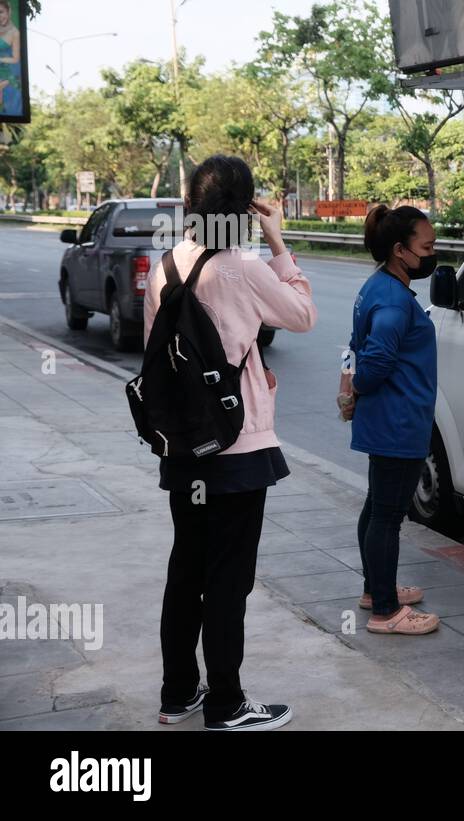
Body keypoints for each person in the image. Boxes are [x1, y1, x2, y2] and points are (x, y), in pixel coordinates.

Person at [145, 155, 317, 731]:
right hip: (237, 447)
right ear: (244, 209)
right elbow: (303, 315)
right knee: (228, 579)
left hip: (184, 445)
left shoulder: (166, 265)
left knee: (186, 568)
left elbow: (167, 358)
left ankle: (177, 694)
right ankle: (226, 704)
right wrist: (277, 241)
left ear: (191, 204)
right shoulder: (241, 265)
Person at [349, 205, 441, 635]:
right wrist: (358, 387)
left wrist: (350, 390)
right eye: (427, 247)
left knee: (377, 507)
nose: (433, 253)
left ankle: (375, 588)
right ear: (401, 250)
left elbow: (354, 348)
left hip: (387, 418)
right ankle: (386, 612)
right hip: (397, 420)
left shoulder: (378, 287)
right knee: (387, 515)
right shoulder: (392, 300)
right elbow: (376, 358)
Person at [0, 2, 22, 118]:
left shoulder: (14, 33)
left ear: (8, 12)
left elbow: (16, 59)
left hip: (6, 70)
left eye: (1, 12)